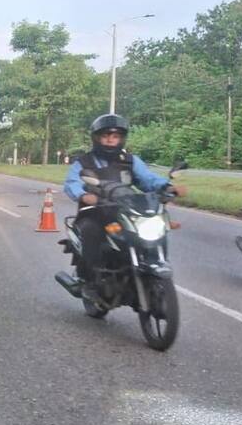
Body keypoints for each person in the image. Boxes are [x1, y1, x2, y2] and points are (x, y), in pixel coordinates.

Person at [63, 113, 184, 298]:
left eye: (115, 136)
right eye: (105, 136)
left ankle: (153, 264)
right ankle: (88, 281)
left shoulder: (130, 160)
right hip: (96, 213)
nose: (110, 140)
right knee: (90, 232)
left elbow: (147, 179)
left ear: (121, 138)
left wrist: (167, 187)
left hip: (126, 209)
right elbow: (72, 183)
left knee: (157, 227)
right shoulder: (84, 162)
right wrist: (84, 195)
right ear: (96, 138)